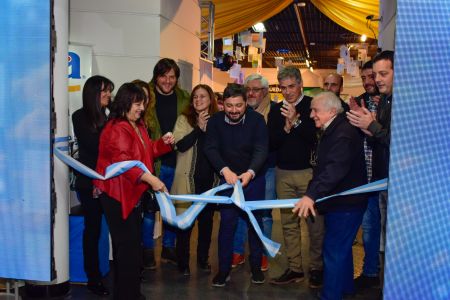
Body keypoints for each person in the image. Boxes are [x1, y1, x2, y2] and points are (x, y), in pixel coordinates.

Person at [94, 83, 174, 300]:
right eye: (137, 103)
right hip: (117, 196)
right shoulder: (117, 127)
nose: (141, 107)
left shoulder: (137, 125)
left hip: (130, 194)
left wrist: (163, 144)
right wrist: (151, 179)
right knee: (127, 250)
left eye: (143, 103)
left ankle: (129, 293)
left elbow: (145, 153)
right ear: (125, 102)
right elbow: (124, 162)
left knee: (131, 249)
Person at [294, 91, 368, 300]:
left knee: (334, 251)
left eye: (315, 110)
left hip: (346, 205)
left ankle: (331, 295)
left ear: (332, 111)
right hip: (340, 203)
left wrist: (310, 195)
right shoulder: (335, 129)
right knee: (340, 250)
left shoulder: (343, 134)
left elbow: (334, 169)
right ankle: (345, 289)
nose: (311, 115)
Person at [204, 83, 268, 287]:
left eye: (238, 106)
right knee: (227, 225)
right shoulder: (215, 122)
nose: (234, 110)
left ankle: (256, 266)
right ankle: (223, 270)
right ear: (222, 104)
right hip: (228, 180)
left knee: (255, 224)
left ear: (246, 103)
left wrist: (250, 172)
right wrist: (224, 170)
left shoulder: (257, 121)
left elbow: (261, 149)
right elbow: (210, 148)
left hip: (253, 179)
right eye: (229, 106)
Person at [268, 66, 324, 287]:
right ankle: (294, 268)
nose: (287, 92)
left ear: (300, 84)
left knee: (315, 224)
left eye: (291, 86)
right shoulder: (275, 110)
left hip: (308, 174)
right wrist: (286, 127)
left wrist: (297, 121)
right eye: (283, 88)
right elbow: (272, 143)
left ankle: (317, 268)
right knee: (289, 225)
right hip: (283, 173)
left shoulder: (313, 105)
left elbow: (315, 139)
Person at [346, 50, 395, 288]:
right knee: (371, 228)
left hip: (398, 182)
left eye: (382, 73)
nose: (376, 80)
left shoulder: (406, 102)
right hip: (377, 178)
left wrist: (372, 126)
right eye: (374, 75)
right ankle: (372, 273)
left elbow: (401, 143)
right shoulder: (384, 100)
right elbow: (382, 138)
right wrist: (368, 129)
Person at [142, 58, 190, 265]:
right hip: (152, 163)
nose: (168, 81)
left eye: (172, 77)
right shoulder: (145, 96)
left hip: (178, 162)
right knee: (150, 209)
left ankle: (168, 248)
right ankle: (147, 251)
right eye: (164, 76)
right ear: (156, 76)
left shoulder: (185, 98)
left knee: (172, 206)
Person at [72, 75, 114, 296]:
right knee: (93, 231)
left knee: (112, 229)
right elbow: (96, 148)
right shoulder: (79, 117)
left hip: (109, 182)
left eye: (109, 91)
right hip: (90, 183)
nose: (108, 95)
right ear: (92, 93)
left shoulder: (108, 116)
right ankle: (93, 278)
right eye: (104, 91)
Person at [171, 84, 219, 275]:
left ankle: (202, 259)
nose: (198, 100)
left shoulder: (218, 121)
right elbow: (181, 145)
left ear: (211, 99)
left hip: (209, 182)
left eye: (203, 96)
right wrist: (198, 128)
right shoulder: (184, 119)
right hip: (187, 181)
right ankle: (183, 263)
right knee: (185, 225)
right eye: (195, 97)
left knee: (206, 225)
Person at [231, 74, 275, 272]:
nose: (251, 93)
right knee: (241, 211)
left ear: (265, 92)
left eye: (256, 89)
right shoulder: (240, 110)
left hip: (268, 169)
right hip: (241, 171)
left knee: (263, 214)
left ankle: (263, 253)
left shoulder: (275, 111)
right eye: (248, 89)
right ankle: (237, 251)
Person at [348, 61, 382, 289]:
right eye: (366, 77)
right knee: (369, 228)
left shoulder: (392, 101)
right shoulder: (359, 101)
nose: (369, 81)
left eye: (374, 76)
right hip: (365, 180)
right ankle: (370, 273)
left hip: (387, 176)